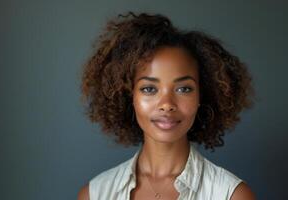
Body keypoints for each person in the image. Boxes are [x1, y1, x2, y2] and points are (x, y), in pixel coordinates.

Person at [78, 12, 255, 200]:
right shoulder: (95, 194)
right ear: (129, 96)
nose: (167, 104)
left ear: (201, 96)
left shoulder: (230, 195)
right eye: (149, 89)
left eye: (184, 89)